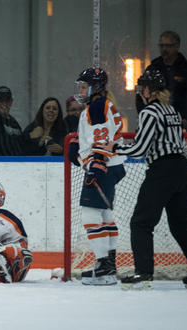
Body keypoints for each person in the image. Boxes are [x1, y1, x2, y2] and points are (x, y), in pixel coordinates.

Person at [103, 69, 187, 291]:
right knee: (181, 225)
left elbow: (139, 149)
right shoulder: (171, 110)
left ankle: (144, 273)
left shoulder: (148, 112)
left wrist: (114, 146)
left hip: (162, 171)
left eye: (141, 88)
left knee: (141, 222)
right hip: (181, 169)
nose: (139, 92)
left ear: (147, 90)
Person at [67, 68, 126, 286]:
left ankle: (103, 266)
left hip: (104, 166)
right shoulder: (102, 105)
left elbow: (102, 137)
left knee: (90, 216)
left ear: (96, 88)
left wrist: (96, 163)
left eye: (84, 86)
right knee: (105, 214)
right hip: (113, 166)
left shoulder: (98, 105)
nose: (80, 90)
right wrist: (82, 151)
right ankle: (109, 266)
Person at [137, 31, 187, 132]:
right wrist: (146, 116)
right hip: (156, 125)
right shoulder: (152, 69)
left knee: (186, 148)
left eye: (168, 46)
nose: (164, 49)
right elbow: (139, 93)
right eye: (161, 46)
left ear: (177, 47)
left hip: (183, 126)